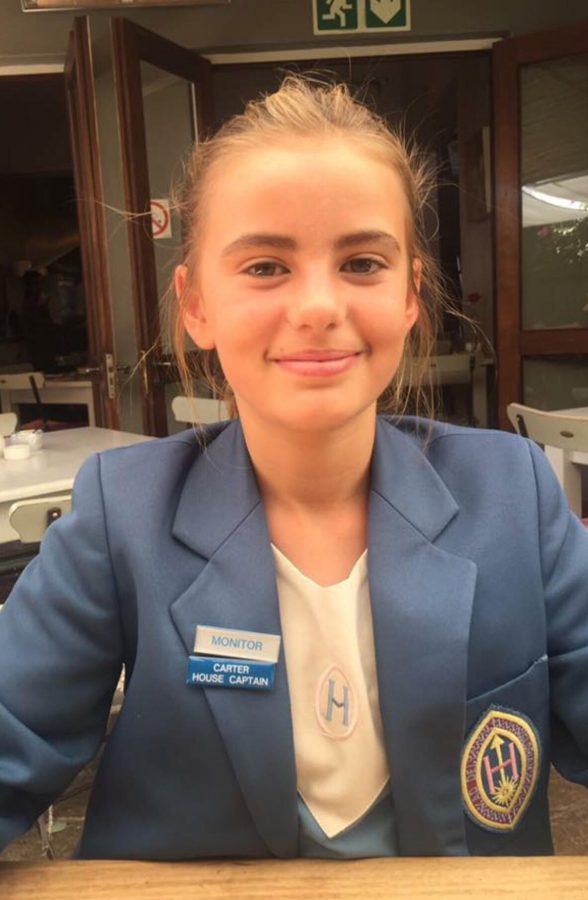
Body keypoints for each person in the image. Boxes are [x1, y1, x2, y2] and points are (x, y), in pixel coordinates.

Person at [1, 75, 587, 861]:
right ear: (196, 305)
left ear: (411, 296)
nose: (317, 306)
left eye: (363, 263)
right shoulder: (122, 517)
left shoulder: (513, 494)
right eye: (265, 267)